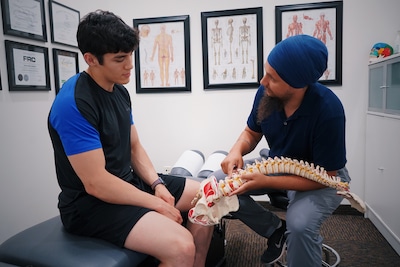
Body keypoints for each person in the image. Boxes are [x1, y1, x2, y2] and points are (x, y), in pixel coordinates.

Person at [48, 10, 213, 267]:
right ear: (91, 59)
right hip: (89, 205)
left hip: (127, 184)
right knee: (181, 246)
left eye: (130, 56)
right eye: (120, 59)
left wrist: (157, 184)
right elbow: (97, 184)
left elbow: (134, 147)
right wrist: (157, 205)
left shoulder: (119, 92)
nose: (130, 65)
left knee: (209, 194)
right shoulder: (73, 103)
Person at [220, 34, 350, 266]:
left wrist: (266, 182)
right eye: (265, 72)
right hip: (278, 166)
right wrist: (235, 150)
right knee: (219, 183)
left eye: (272, 78)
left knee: (300, 227)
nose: (263, 81)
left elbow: (328, 177)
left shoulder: (329, 110)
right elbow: (251, 133)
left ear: (298, 84)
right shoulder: (266, 94)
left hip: (322, 180)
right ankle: (275, 231)